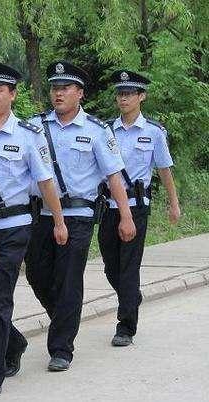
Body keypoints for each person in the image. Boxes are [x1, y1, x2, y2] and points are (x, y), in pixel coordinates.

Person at [0, 60, 67, 399]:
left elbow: (46, 182)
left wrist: (59, 220)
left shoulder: (28, 136)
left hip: (13, 227)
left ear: (12, 94)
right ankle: (14, 341)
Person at [25, 60, 136, 372]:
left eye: (65, 88)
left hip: (78, 215)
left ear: (80, 93)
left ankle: (61, 348)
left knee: (69, 279)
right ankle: (64, 316)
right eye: (54, 88)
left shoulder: (96, 131)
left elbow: (113, 176)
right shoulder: (34, 127)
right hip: (41, 214)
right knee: (36, 274)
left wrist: (125, 216)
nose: (58, 93)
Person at [99, 69, 180, 347]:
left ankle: (126, 327)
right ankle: (131, 296)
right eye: (120, 94)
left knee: (129, 267)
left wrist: (173, 204)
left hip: (136, 207)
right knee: (110, 266)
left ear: (141, 96)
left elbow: (165, 169)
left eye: (129, 94)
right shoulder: (106, 130)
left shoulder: (153, 132)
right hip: (108, 206)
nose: (123, 99)